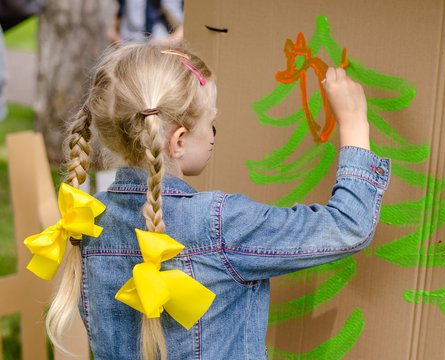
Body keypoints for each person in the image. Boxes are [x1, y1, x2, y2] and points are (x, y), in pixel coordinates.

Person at [30, 43, 390, 359]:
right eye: (211, 123)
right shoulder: (221, 222)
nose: (214, 134)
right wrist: (354, 122)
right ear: (180, 141)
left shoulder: (90, 219)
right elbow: (348, 226)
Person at [108, 0, 184, 46]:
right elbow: (121, 11)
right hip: (127, 47)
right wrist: (113, 33)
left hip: (158, 50)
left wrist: (170, 41)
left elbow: (187, 23)